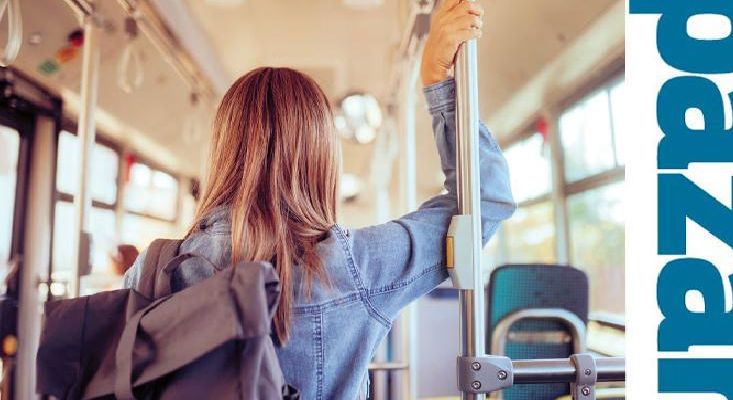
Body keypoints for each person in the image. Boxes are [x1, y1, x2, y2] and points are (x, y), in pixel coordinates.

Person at [124, 0, 514, 398]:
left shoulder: (153, 270)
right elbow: (485, 199)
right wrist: (437, 81)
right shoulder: (356, 268)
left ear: (223, 154)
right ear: (322, 160)